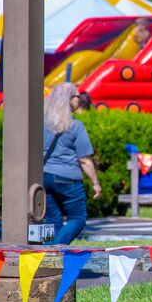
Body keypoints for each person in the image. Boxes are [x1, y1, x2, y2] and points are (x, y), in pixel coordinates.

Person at [43, 82, 101, 245]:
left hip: (44, 176)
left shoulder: (42, 122)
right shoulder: (75, 126)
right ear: (69, 99)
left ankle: (44, 257)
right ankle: (53, 251)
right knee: (78, 218)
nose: (79, 100)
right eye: (77, 96)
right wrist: (95, 183)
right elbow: (84, 159)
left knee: (52, 219)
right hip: (67, 178)